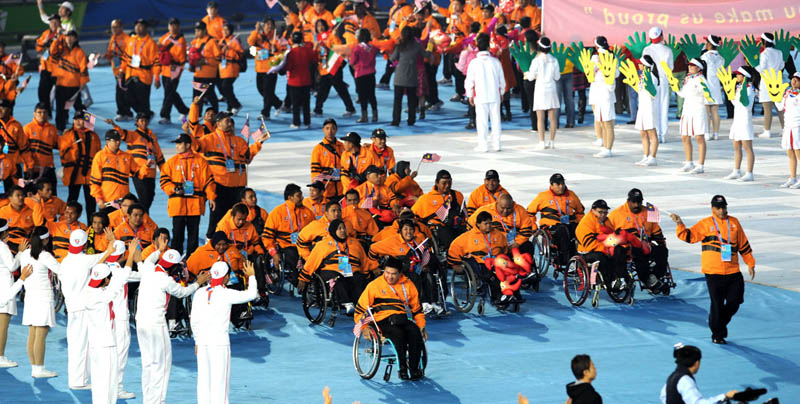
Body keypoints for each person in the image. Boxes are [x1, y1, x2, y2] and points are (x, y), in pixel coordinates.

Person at [670, 195, 755, 344]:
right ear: (712, 209)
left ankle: (718, 323)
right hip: (713, 272)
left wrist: (750, 262)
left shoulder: (734, 222)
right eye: (719, 208)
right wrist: (680, 223)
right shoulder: (705, 224)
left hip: (733, 270)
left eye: (724, 207)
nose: (722, 210)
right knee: (717, 304)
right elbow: (688, 237)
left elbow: (743, 244)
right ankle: (718, 334)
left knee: (735, 301)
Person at [136, 249, 210, 404]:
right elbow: (183, 292)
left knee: (148, 363)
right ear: (174, 268)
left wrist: (159, 250)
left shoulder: (148, 269)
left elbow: (149, 260)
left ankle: (149, 399)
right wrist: (198, 283)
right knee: (162, 364)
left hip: (141, 322)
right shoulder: (166, 280)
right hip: (156, 324)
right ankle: (158, 401)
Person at [191, 260, 258, 404]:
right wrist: (251, 276)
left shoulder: (199, 293)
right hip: (219, 344)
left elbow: (194, 320)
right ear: (226, 277)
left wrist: (197, 340)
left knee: (204, 381)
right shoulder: (226, 294)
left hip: (202, 343)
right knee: (220, 383)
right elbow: (252, 294)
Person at [194, 111, 269, 237]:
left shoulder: (238, 141)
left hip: (238, 187)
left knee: (236, 217)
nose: (230, 123)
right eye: (226, 120)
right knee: (217, 217)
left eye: (230, 121)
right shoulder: (209, 139)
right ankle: (211, 242)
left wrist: (258, 143)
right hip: (220, 185)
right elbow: (195, 146)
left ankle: (233, 242)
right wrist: (193, 113)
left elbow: (247, 158)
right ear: (218, 123)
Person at [59, 228, 114, 389]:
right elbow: (109, 253)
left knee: (77, 345)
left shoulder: (65, 261)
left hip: (71, 307)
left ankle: (78, 379)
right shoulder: (86, 260)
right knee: (82, 346)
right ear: (84, 244)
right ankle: (79, 381)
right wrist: (111, 239)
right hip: (83, 308)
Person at [355, 257, 426, 380]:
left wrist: (421, 326)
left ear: (400, 274)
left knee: (415, 333)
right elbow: (361, 309)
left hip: (402, 319)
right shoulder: (374, 285)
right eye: (387, 273)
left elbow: (417, 310)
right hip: (382, 321)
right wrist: (364, 327)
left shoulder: (408, 285)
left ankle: (414, 369)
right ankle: (402, 368)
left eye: (393, 274)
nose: (390, 277)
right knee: (398, 335)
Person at [82, 243, 136, 404]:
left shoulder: (89, 290)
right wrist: (131, 254)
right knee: (108, 383)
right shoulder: (102, 295)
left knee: (99, 382)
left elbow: (111, 278)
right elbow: (120, 281)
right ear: (104, 279)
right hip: (107, 344)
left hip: (95, 343)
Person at [299, 219, 375, 313]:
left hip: (350, 270)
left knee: (359, 279)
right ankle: (347, 303)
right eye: (339, 229)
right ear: (333, 231)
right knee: (337, 279)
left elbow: (364, 260)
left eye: (344, 228)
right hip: (330, 270)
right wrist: (303, 278)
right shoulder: (323, 244)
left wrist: (366, 275)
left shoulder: (354, 243)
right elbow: (311, 262)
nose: (343, 230)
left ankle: (362, 304)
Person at [160, 133, 216, 255]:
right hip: (178, 206)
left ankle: (191, 264)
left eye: (179, 143)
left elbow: (209, 181)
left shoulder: (200, 161)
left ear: (188, 145)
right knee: (177, 236)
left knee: (193, 238)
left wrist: (211, 197)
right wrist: (174, 189)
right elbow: (164, 181)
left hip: (195, 205)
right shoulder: (171, 162)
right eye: (177, 144)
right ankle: (174, 262)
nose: (177, 146)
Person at [608, 188, 670, 293]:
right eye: (634, 202)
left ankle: (654, 277)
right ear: (628, 201)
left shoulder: (649, 212)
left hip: (646, 243)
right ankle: (646, 279)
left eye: (639, 202)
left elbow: (656, 231)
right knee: (639, 254)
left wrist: (661, 243)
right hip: (627, 246)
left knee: (663, 251)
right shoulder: (616, 214)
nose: (637, 205)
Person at [19, 226, 60, 377]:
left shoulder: (25, 254)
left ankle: (35, 368)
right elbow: (60, 271)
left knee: (33, 334)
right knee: (41, 334)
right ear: (46, 240)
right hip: (43, 297)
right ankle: (39, 369)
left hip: (30, 296)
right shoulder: (45, 256)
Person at [108, 114, 166, 213]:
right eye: (141, 121)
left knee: (150, 196)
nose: (144, 123)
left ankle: (137, 214)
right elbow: (121, 133)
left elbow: (158, 154)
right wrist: (114, 124)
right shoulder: (133, 135)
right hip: (138, 172)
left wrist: (165, 171)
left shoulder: (152, 136)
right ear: (137, 122)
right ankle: (141, 217)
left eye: (145, 120)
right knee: (144, 198)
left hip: (151, 172)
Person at [447, 210, 508, 301]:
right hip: (479, 261)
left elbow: (504, 249)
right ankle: (498, 298)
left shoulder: (498, 235)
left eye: (490, 223)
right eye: (486, 224)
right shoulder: (467, 236)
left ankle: (513, 294)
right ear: (478, 224)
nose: (489, 226)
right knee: (492, 276)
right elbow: (454, 248)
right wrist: (454, 264)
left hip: (495, 260)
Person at [263, 183, 315, 287]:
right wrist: (274, 253)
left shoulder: (308, 212)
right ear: (290, 197)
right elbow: (267, 237)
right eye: (299, 195)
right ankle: (298, 280)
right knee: (293, 256)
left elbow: (315, 231)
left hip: (304, 245)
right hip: (286, 246)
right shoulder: (277, 213)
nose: (302, 197)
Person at [575, 199, 630, 291]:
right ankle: (610, 283)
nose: (603, 215)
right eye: (600, 212)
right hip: (587, 252)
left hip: (603, 248)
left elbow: (612, 237)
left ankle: (622, 277)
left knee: (619, 250)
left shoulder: (606, 221)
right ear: (593, 210)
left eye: (605, 212)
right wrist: (606, 249)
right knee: (602, 257)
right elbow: (589, 244)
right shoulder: (586, 223)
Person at [465, 33, 505, 152]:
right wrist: (502, 92)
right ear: (488, 47)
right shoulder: (495, 62)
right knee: (496, 120)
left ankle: (483, 145)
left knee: (481, 120)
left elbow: (469, 81)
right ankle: (497, 144)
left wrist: (470, 95)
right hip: (494, 95)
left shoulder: (474, 63)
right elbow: (501, 80)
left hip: (480, 95)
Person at [59, 112, 101, 223]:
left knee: (91, 204)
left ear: (86, 121)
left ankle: (92, 229)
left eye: (81, 119)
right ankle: (67, 225)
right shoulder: (68, 135)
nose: (78, 122)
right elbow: (63, 154)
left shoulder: (93, 136)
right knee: (71, 202)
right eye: (76, 119)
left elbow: (98, 156)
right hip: (74, 174)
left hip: (90, 174)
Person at [659, 344, 738, 404]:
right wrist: (725, 396)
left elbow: (663, 397)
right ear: (697, 363)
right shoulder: (685, 380)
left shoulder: (672, 377)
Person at [312, 20, 357, 119]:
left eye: (322, 25)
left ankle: (350, 108)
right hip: (324, 68)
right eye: (318, 26)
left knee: (340, 89)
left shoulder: (332, 36)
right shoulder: (316, 38)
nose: (321, 27)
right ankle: (317, 109)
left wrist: (327, 45)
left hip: (334, 67)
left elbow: (338, 48)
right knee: (322, 90)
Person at [412, 169, 466, 250]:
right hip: (438, 229)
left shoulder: (457, 196)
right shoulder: (425, 199)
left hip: (455, 226)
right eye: (444, 183)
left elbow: (464, 213)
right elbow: (413, 216)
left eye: (449, 183)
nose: (447, 185)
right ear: (437, 183)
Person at [90, 130, 142, 211]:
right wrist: (99, 200)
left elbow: (139, 173)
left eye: (119, 140)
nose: (117, 143)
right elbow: (95, 182)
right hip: (107, 202)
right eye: (114, 140)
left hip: (123, 203)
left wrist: (147, 166)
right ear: (107, 141)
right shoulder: (100, 156)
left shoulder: (127, 156)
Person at [119, 19, 159, 120]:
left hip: (144, 76)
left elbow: (156, 62)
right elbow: (125, 57)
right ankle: (145, 115)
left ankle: (144, 120)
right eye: (136, 25)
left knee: (143, 101)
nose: (138, 27)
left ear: (146, 28)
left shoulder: (151, 43)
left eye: (141, 26)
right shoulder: (131, 40)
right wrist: (121, 71)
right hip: (130, 73)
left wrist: (157, 78)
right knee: (127, 97)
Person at [676, 58, 711, 174]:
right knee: (685, 137)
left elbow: (707, 94)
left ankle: (700, 165)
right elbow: (683, 94)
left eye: (692, 65)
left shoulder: (702, 80)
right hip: (687, 110)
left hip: (698, 110)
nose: (689, 67)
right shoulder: (687, 78)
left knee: (699, 138)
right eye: (689, 65)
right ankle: (689, 162)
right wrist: (675, 87)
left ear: (699, 68)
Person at [468, 194, 535, 252]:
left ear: (513, 205)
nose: (505, 211)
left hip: (514, 243)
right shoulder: (484, 210)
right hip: (492, 243)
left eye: (509, 208)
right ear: (497, 204)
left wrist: (517, 243)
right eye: (502, 208)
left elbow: (527, 231)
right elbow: (470, 226)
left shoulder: (520, 210)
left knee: (528, 246)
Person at [49, 29, 88, 131]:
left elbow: (84, 68)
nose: (69, 39)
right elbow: (52, 51)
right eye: (67, 36)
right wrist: (57, 39)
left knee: (79, 108)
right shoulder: (61, 50)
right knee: (60, 108)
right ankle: (60, 128)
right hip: (60, 85)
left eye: (72, 37)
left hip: (74, 86)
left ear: (75, 39)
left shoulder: (80, 52)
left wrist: (83, 82)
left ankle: (88, 125)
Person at [526, 37, 561, 150]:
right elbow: (557, 77)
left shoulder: (536, 60)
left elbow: (530, 78)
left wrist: (526, 72)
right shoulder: (554, 60)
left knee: (540, 118)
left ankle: (541, 142)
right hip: (551, 88)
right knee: (553, 118)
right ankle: (552, 141)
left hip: (540, 89)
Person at [391, 26, 429, 127]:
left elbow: (393, 57)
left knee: (397, 100)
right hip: (412, 76)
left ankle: (396, 120)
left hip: (399, 77)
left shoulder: (400, 45)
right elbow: (425, 55)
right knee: (412, 100)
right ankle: (411, 120)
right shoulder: (417, 45)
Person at [724, 66, 757, 182]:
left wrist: (742, 99)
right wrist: (730, 96)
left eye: (738, 74)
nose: (736, 76)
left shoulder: (749, 89)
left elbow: (747, 106)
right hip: (737, 120)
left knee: (747, 148)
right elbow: (736, 104)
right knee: (736, 146)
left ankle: (749, 173)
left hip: (745, 121)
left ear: (744, 76)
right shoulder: (738, 87)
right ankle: (736, 171)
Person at [0, 219, 25, 368]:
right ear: (4, 233)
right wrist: (20, 253)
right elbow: (12, 266)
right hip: (4, 287)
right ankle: (0, 356)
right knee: (3, 325)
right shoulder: (2, 247)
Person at [642, 26, 674, 143]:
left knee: (652, 107)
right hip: (663, 80)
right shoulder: (667, 50)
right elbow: (671, 67)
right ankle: (661, 135)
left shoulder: (646, 50)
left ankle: (652, 132)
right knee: (663, 106)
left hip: (650, 80)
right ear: (661, 36)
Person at [248, 17, 284, 120]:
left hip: (270, 69)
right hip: (259, 68)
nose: (268, 26)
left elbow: (281, 54)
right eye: (266, 24)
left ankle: (265, 113)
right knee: (261, 90)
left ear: (273, 26)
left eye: (270, 24)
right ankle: (278, 103)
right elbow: (250, 42)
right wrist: (256, 30)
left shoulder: (276, 38)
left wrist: (274, 51)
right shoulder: (258, 36)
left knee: (268, 91)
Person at [158, 18, 190, 124]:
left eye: (175, 25)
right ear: (168, 26)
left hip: (175, 70)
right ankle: (184, 110)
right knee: (170, 92)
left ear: (179, 26)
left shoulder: (181, 40)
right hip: (165, 70)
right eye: (171, 24)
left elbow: (181, 59)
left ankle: (165, 115)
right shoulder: (163, 38)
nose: (173, 27)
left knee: (169, 93)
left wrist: (170, 59)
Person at [631, 56, 661, 166]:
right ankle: (646, 155)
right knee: (643, 132)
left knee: (652, 133)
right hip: (642, 107)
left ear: (645, 66)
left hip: (650, 108)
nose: (639, 65)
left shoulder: (652, 77)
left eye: (641, 64)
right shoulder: (643, 76)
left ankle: (653, 157)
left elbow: (653, 93)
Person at [23, 103, 60, 189]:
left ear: (48, 114)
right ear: (34, 113)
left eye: (44, 112)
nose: (42, 115)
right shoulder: (27, 129)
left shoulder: (52, 129)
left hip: (48, 169)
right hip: (31, 170)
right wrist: (30, 166)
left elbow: (58, 144)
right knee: (31, 198)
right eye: (39, 112)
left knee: (51, 197)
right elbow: (24, 150)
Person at [283, 31, 315, 129]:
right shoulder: (307, 50)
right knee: (306, 103)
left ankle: (296, 123)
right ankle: (307, 122)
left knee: (295, 104)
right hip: (306, 80)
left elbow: (288, 67)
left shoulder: (290, 53)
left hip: (294, 81)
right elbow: (313, 60)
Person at [756, 32, 785, 139]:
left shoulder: (764, 54)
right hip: (777, 81)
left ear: (764, 42)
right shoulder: (779, 52)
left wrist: (755, 66)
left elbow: (762, 67)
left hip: (767, 82)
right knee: (780, 108)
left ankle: (767, 131)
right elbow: (782, 65)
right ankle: (784, 129)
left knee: (767, 108)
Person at [775, 71, 800, 189]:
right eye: (793, 78)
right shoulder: (787, 92)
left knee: (798, 153)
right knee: (790, 152)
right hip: (788, 127)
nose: (794, 81)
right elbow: (780, 107)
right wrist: (775, 96)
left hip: (798, 127)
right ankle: (792, 177)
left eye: (797, 79)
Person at [189, 21, 221, 112]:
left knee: (210, 96)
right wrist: (192, 65)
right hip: (197, 74)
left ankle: (215, 116)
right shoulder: (195, 42)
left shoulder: (212, 41)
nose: (197, 33)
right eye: (196, 31)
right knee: (196, 98)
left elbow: (218, 59)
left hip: (208, 76)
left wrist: (206, 61)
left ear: (204, 30)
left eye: (199, 30)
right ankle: (196, 117)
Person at [310, 118, 344, 200]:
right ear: (323, 130)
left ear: (336, 130)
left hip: (342, 189)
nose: (330, 131)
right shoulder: (318, 149)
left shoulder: (343, 147)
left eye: (332, 128)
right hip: (326, 190)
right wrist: (318, 186)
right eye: (327, 128)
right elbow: (315, 171)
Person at [350, 28, 379, 123]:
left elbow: (352, 61)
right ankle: (375, 115)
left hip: (360, 74)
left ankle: (364, 116)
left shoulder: (357, 48)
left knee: (362, 96)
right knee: (372, 95)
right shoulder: (373, 48)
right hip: (371, 73)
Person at [35, 15, 62, 113]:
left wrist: (57, 38)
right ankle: (46, 112)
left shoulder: (64, 34)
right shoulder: (46, 33)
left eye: (55, 22)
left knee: (61, 95)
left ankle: (64, 117)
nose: (53, 24)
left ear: (60, 23)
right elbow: (38, 48)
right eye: (51, 22)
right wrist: (44, 41)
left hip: (60, 69)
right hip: (46, 68)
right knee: (42, 92)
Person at [702, 35, 725, 141]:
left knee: (706, 111)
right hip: (716, 86)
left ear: (710, 44)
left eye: (706, 42)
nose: (705, 44)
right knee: (715, 111)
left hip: (706, 85)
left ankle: (706, 133)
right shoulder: (721, 58)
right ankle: (716, 134)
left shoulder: (705, 57)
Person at [0, 186, 36, 252]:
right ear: (10, 198)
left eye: (22, 195)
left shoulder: (32, 212)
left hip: (27, 243)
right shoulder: (2, 212)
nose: (21, 197)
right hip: (8, 243)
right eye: (18, 195)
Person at [219, 23, 243, 114]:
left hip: (232, 67)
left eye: (227, 30)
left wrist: (230, 49)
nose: (224, 32)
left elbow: (240, 55)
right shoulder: (222, 40)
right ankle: (230, 106)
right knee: (227, 88)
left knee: (225, 87)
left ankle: (236, 104)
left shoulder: (234, 41)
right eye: (223, 30)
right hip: (223, 68)